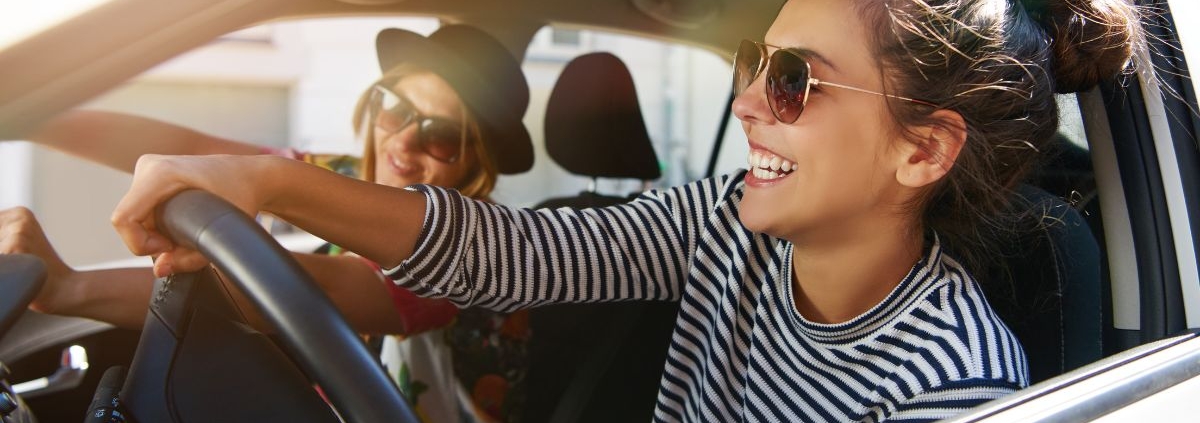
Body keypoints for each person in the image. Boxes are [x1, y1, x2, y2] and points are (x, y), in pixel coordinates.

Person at [107, 0, 1145, 421]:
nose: (746, 103)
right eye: (752, 65)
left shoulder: (954, 385)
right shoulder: (721, 222)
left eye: (795, 81)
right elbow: (513, 255)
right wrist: (266, 183)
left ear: (921, 149)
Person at [2, 25, 534, 423]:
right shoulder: (343, 177)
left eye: (441, 134)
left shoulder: (473, 251)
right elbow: (193, 152)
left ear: (473, 163)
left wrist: (72, 286)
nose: (402, 143)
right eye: (394, 108)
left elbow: (316, 287)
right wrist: (33, 112)